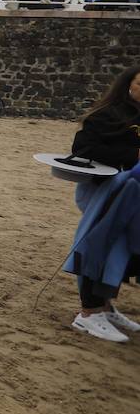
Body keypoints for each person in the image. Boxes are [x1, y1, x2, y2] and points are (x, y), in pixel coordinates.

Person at [63, 67, 140, 342]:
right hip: (107, 192)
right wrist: (133, 156)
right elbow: (83, 149)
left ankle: (105, 307)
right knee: (97, 245)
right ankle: (88, 313)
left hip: (136, 199)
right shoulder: (108, 115)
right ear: (128, 84)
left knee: (121, 252)